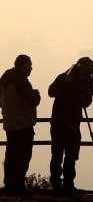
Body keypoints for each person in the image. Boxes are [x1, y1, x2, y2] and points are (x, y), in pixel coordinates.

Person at [48, 57, 93, 196]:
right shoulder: (65, 77)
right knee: (63, 157)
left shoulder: (68, 78)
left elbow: (85, 103)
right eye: (89, 69)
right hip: (67, 125)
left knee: (65, 157)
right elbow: (51, 92)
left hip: (63, 124)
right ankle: (63, 186)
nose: (90, 72)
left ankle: (62, 186)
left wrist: (88, 91)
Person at [0, 54, 41, 196]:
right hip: (23, 124)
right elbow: (31, 103)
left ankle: (9, 185)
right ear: (22, 65)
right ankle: (18, 187)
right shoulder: (21, 82)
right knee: (23, 157)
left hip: (10, 124)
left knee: (11, 156)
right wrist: (37, 96)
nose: (31, 68)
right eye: (29, 65)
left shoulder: (5, 79)